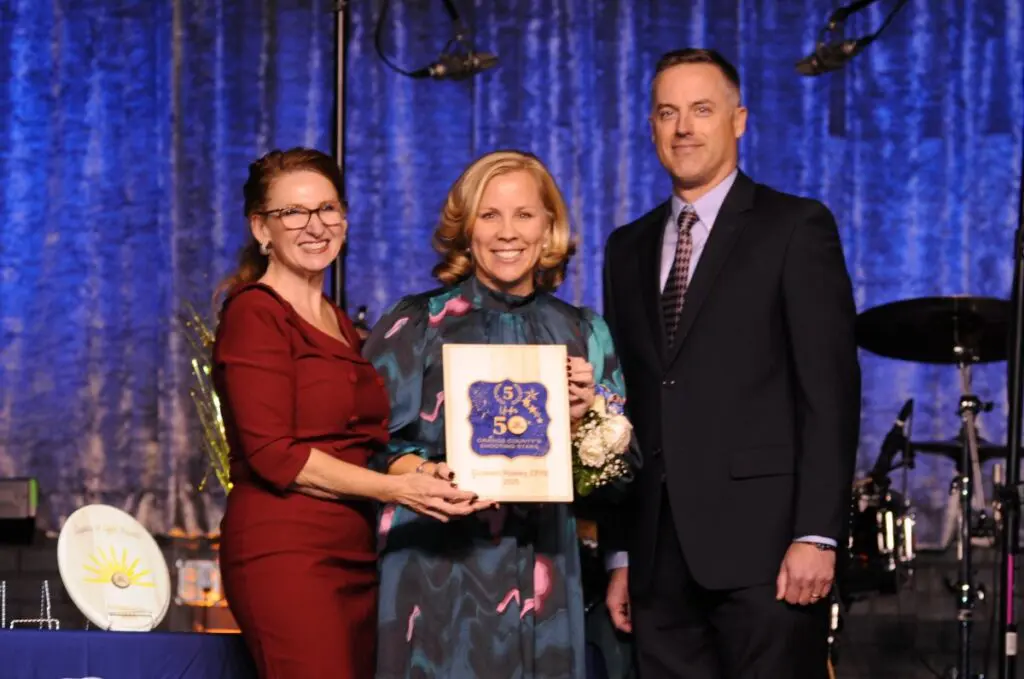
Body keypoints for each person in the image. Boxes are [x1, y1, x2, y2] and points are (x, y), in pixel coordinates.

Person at [600, 49, 861, 679]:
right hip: (657, 561)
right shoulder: (626, 247)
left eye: (701, 110)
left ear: (738, 120)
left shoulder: (795, 226)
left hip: (767, 555)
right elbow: (622, 404)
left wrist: (817, 534)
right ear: (652, 127)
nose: (683, 127)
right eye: (667, 113)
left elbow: (829, 393)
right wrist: (621, 554)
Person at [363, 149, 634, 679]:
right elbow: (365, 449)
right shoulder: (416, 326)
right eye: (490, 215)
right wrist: (426, 475)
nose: (507, 232)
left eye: (524, 214)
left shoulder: (583, 333)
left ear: (548, 227)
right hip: (434, 573)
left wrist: (584, 424)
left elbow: (622, 484)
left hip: (544, 574)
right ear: (467, 229)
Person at [212, 147, 478, 679]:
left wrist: (425, 474)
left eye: (327, 208)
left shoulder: (336, 320)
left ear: (345, 218)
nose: (315, 226)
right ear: (262, 228)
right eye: (293, 212)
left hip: (353, 552)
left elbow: (364, 445)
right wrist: (397, 491)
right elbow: (275, 455)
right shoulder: (255, 314)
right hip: (285, 553)